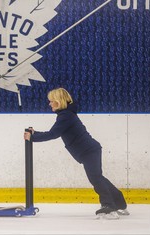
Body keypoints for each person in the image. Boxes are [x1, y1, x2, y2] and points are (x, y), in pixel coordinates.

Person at [23, 88, 129, 220]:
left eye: (51, 101)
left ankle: (108, 206)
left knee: (95, 178)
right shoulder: (66, 115)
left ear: (58, 101)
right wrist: (35, 133)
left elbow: (53, 134)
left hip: (89, 151)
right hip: (88, 151)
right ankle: (119, 202)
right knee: (98, 177)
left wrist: (32, 138)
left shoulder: (65, 116)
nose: (49, 104)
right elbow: (55, 132)